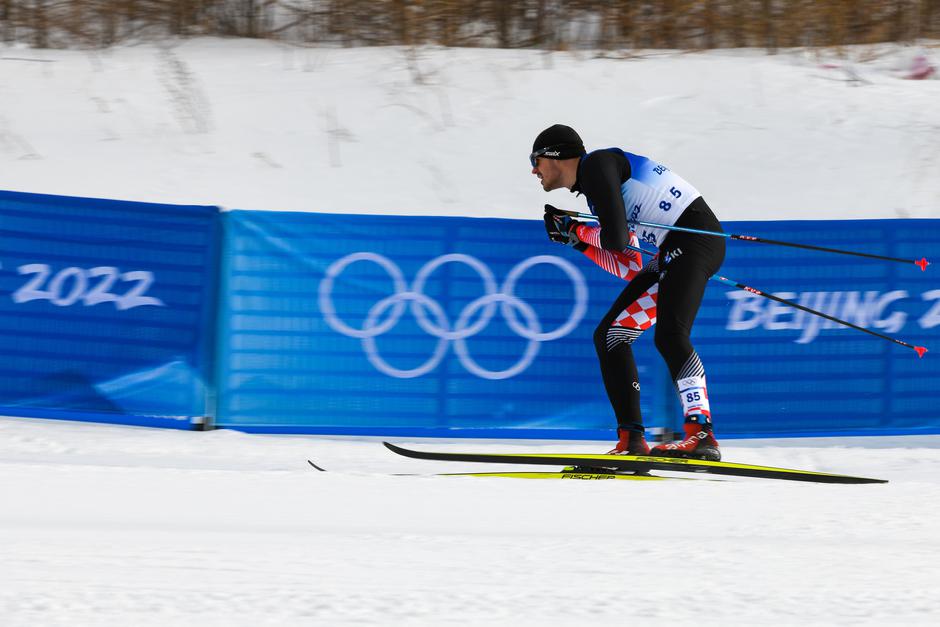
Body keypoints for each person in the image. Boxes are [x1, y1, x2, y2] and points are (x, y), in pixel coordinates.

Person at [531, 124, 725, 461]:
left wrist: (577, 229)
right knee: (610, 335)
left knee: (670, 334)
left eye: (535, 160)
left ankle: (701, 434)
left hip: (693, 240)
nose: (534, 170)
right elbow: (630, 265)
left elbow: (617, 239)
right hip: (675, 249)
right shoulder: (595, 192)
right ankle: (631, 439)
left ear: (555, 156)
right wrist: (578, 241)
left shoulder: (596, 165)